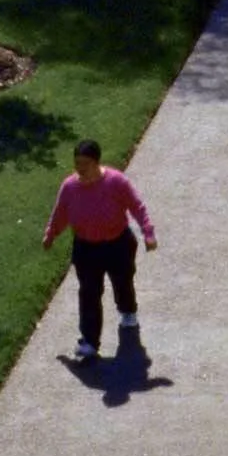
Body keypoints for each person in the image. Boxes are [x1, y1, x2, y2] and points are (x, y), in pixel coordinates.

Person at [44, 138, 157, 360]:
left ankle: (127, 312)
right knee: (89, 293)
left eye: (85, 163)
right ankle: (89, 341)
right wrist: (51, 234)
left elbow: (137, 207)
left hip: (118, 244)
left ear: (97, 163)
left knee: (122, 282)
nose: (80, 168)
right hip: (86, 248)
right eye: (77, 163)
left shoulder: (116, 182)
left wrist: (148, 233)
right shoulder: (70, 187)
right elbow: (61, 213)